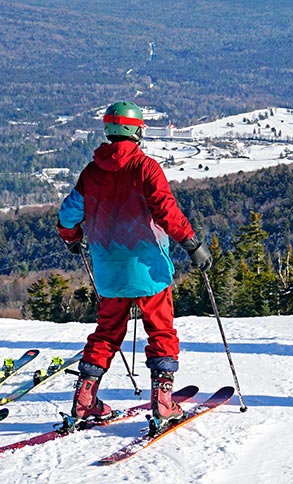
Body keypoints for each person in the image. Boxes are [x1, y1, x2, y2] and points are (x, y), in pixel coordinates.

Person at [57, 101, 211, 430]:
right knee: (161, 332)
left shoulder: (91, 172)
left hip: (108, 271)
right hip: (148, 269)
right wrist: (192, 244)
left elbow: (68, 215)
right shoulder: (145, 167)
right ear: (136, 130)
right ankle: (163, 404)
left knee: (106, 334)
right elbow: (165, 210)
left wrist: (72, 238)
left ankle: (84, 403)